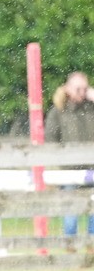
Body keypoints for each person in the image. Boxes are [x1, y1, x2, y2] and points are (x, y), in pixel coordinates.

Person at [44, 71, 94, 241]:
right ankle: (70, 247)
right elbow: (50, 139)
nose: (82, 92)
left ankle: (91, 247)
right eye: (78, 88)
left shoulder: (91, 108)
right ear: (68, 89)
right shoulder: (58, 111)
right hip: (69, 170)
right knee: (71, 213)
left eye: (84, 89)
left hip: (92, 168)